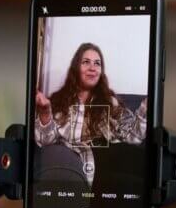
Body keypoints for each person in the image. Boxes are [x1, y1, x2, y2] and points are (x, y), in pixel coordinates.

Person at [35, 42, 146, 185]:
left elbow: (134, 136)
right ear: (76, 68)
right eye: (86, 62)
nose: (93, 68)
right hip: (88, 161)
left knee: (144, 162)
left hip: (115, 156)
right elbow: (45, 142)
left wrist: (147, 106)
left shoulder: (110, 102)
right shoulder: (58, 102)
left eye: (97, 63)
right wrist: (45, 113)